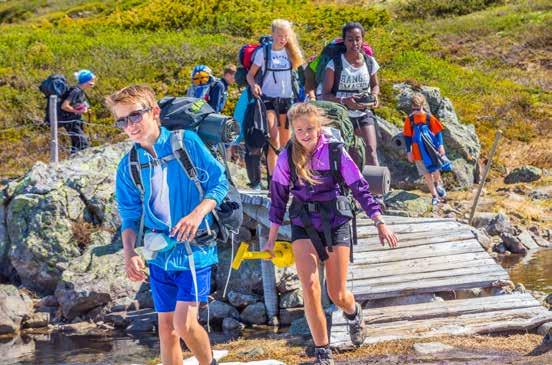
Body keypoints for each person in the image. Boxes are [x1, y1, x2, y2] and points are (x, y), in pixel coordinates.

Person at [264, 103, 398, 365]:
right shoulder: (286, 157)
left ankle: (353, 312)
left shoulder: (336, 152)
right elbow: (278, 199)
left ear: (319, 127)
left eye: (310, 128)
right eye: (299, 129)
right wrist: (271, 237)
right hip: (303, 224)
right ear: (292, 129)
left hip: (336, 221)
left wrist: (379, 221)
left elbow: (359, 188)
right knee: (310, 287)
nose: (305, 134)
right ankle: (322, 351)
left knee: (337, 294)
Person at [108, 84, 228, 365]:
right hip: (159, 254)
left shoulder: (186, 143)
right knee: (166, 329)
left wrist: (198, 213)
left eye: (135, 116)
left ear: (155, 112)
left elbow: (218, 182)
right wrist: (130, 253)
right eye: (122, 120)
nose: (130, 125)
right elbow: (129, 216)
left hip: (194, 252)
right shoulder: (129, 165)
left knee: (184, 324)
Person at [246, 19, 304, 181]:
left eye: (286, 35)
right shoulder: (263, 53)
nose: (283, 39)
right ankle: (273, 181)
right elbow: (250, 75)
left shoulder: (291, 52)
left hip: (287, 101)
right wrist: (254, 86)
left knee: (286, 144)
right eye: (279, 35)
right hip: (268, 100)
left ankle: (285, 178)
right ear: (272, 34)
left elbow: (301, 72)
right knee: (274, 140)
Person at [322, 22, 381, 166]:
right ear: (344, 41)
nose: (354, 43)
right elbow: (325, 95)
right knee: (349, 153)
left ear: (362, 39)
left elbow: (375, 85)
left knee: (371, 150)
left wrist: (374, 97)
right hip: (341, 115)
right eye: (350, 39)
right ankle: (349, 186)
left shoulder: (369, 62)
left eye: (357, 38)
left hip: (364, 112)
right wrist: (344, 101)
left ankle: (377, 187)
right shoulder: (334, 64)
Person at [403, 93, 448, 205]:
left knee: (435, 170)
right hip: (418, 152)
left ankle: (438, 183)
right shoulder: (410, 120)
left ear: (423, 106)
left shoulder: (429, 118)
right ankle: (434, 196)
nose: (416, 111)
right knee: (426, 175)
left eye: (418, 109)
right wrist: (409, 152)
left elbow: (438, 132)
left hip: (431, 150)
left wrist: (441, 146)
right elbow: (407, 137)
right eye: (414, 109)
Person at [59, 69, 95, 153]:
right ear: (86, 81)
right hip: (71, 122)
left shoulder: (80, 91)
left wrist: (84, 109)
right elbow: (64, 106)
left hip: (77, 121)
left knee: (76, 145)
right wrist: (77, 111)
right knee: (83, 144)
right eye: (91, 81)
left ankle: (73, 162)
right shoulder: (75, 91)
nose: (93, 83)